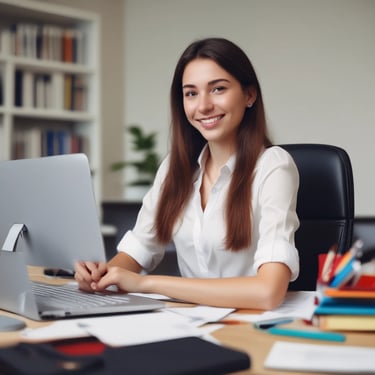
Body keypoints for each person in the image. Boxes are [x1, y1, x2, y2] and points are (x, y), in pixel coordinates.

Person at [75, 37, 300, 310]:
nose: (203, 106)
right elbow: (138, 250)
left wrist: (147, 283)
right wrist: (101, 276)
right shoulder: (175, 167)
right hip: (189, 323)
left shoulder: (273, 166)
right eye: (191, 93)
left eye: (218, 89)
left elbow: (268, 292)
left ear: (249, 95)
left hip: (249, 324)